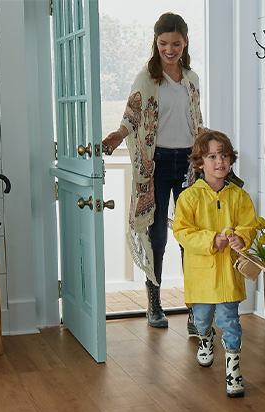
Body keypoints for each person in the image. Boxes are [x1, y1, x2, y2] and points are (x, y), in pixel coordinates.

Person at [102, 12, 203, 329]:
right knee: (157, 237)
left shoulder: (191, 79)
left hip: (188, 163)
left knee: (192, 238)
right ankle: (155, 304)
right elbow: (131, 116)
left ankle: (195, 311)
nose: (169, 50)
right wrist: (117, 136)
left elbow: (195, 121)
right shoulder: (146, 77)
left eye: (175, 43)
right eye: (163, 44)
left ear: (184, 42)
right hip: (155, 164)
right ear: (156, 43)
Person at [173, 131, 257, 397]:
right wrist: (212, 240)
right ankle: (206, 339)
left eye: (224, 156)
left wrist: (241, 238)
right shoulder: (189, 197)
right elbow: (182, 231)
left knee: (231, 321)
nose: (220, 161)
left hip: (228, 276)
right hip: (202, 276)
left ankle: (233, 372)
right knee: (202, 319)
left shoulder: (239, 197)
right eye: (212, 156)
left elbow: (249, 224)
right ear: (200, 163)